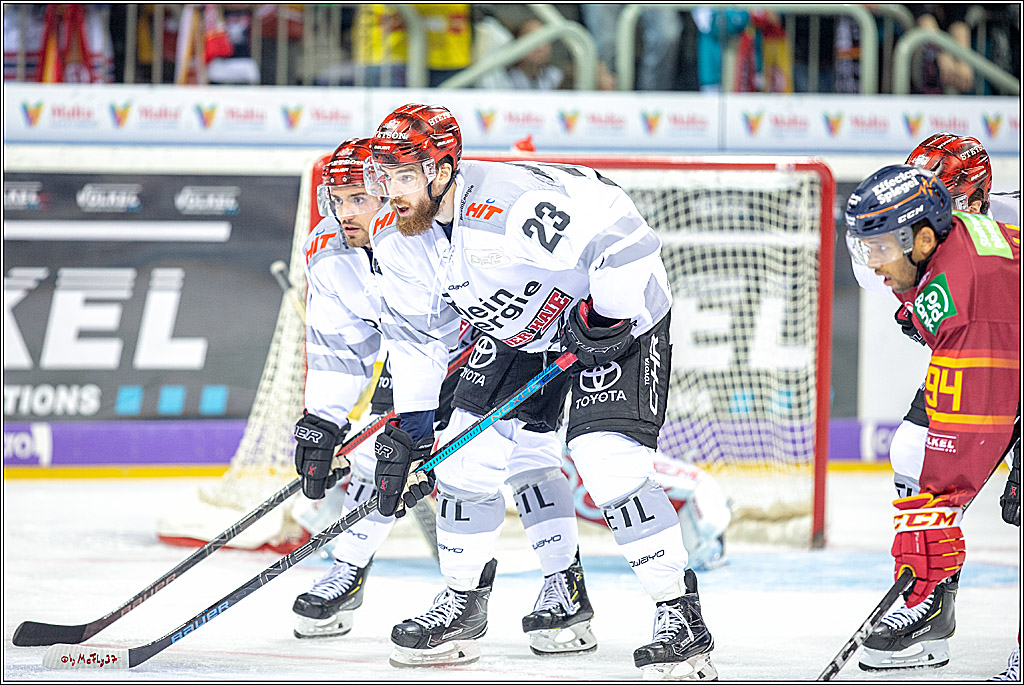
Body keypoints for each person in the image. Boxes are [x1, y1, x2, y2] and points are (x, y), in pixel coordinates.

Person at [361, 103, 716, 679]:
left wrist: (606, 316)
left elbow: (625, 242)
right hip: (515, 329)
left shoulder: (506, 205)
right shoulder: (400, 237)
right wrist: (412, 425)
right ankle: (463, 604)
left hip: (617, 316)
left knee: (609, 469)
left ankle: (679, 615)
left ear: (442, 169)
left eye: (404, 177)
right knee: (463, 460)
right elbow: (418, 340)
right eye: (384, 177)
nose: (391, 192)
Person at [290, 138, 597, 655]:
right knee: (379, 454)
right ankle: (348, 569)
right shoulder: (329, 251)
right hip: (416, 357)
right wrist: (323, 419)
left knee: (529, 458)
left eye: (356, 198)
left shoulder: (430, 227)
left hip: (497, 344)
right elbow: (338, 345)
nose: (345, 213)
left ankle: (562, 584)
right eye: (335, 200)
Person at [847, 134, 1019, 671]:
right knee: (912, 451)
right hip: (988, 353)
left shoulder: (986, 246)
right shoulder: (903, 245)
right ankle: (929, 606)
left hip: (998, 349)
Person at [477, 19, 564, 90]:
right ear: (518, 42)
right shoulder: (502, 78)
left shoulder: (556, 77)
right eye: (533, 38)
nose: (540, 47)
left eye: (545, 39)